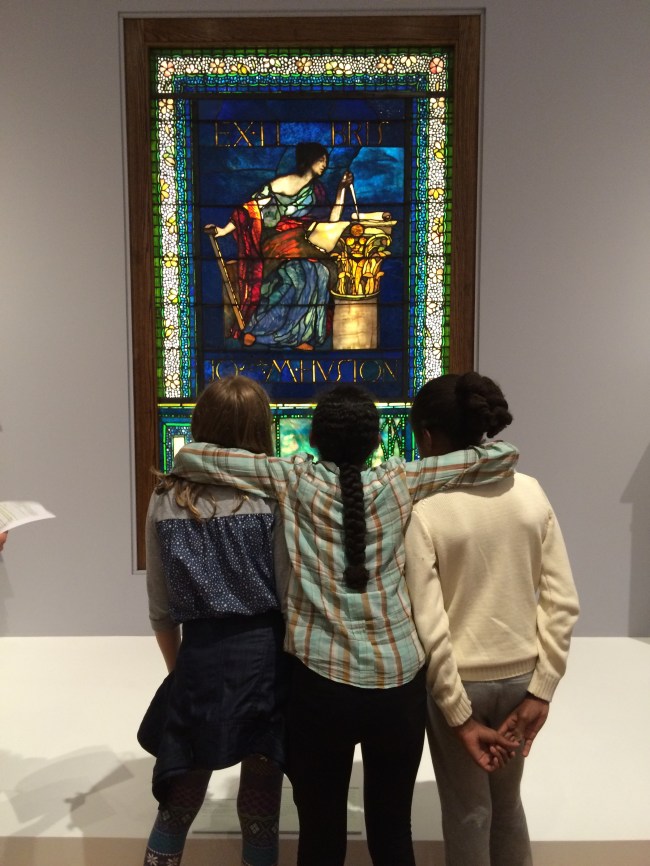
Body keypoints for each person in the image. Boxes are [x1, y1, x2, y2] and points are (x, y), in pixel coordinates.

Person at [170, 382, 519, 866]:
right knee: (393, 831)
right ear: (376, 441)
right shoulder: (401, 479)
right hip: (399, 687)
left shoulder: (291, 479)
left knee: (320, 834)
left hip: (319, 688)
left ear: (314, 438)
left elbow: (191, 457)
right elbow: (503, 455)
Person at [404, 372, 580, 866]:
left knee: (467, 812)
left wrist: (458, 715)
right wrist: (542, 688)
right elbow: (562, 601)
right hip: (521, 679)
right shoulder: (530, 492)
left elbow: (430, 624)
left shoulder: (425, 508)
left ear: (429, 437)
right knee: (506, 805)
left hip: (458, 683)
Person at [138, 376, 291, 866]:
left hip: (199, 658)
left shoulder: (166, 497)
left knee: (180, 795)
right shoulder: (273, 496)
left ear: (201, 422)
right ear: (259, 429)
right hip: (267, 657)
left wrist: (178, 669)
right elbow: (290, 595)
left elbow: (161, 609)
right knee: (262, 800)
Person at [206, 141, 353, 351]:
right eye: (321, 160)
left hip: (302, 244)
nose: (324, 165)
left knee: (319, 273)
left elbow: (331, 222)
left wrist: (341, 190)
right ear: (309, 160)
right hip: (276, 243)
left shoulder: (317, 191)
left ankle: (298, 335)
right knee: (299, 275)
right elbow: (249, 209)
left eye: (326, 160)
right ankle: (256, 330)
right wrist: (222, 230)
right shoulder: (282, 183)